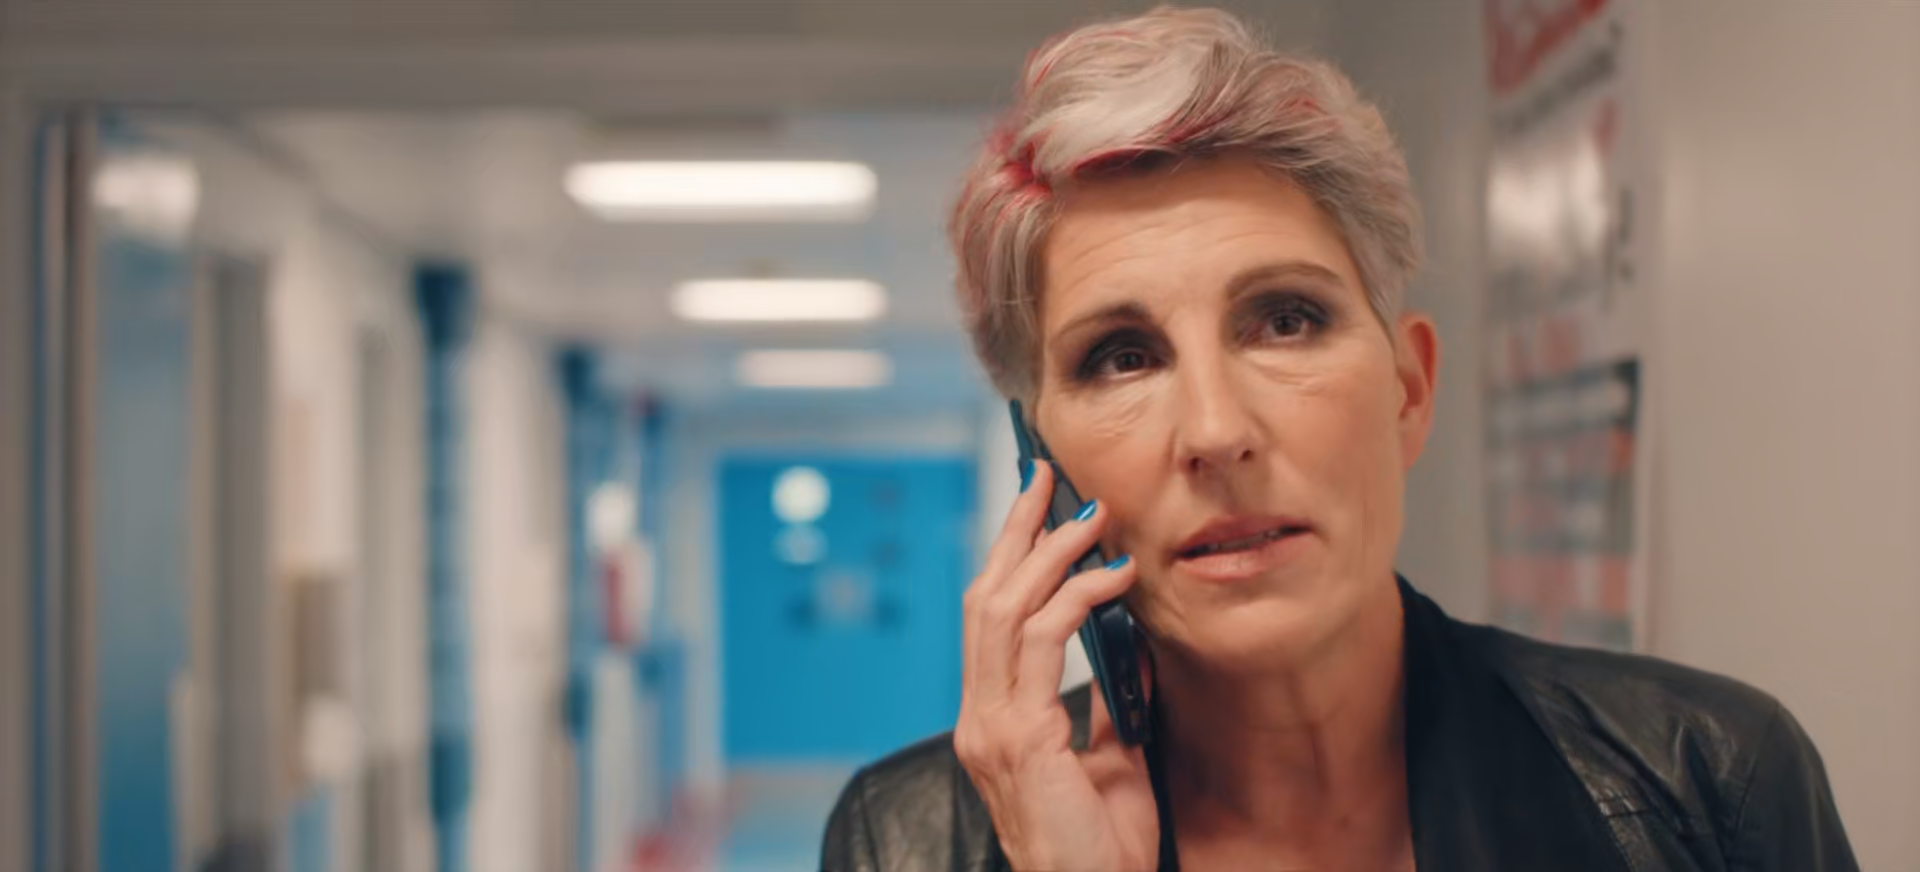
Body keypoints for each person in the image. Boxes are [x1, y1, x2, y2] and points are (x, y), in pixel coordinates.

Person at [821, 7, 1857, 871]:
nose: (1217, 431)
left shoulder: (1707, 781)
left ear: (1410, 391)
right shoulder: (905, 841)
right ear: (1041, 467)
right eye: (1122, 357)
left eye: (1285, 320)